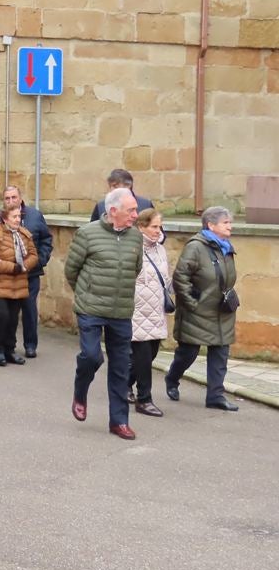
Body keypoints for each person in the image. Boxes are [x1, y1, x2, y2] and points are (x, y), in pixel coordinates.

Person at [65, 187, 143, 441]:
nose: (135, 214)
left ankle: (119, 421)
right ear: (113, 211)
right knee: (91, 356)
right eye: (131, 210)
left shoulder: (135, 237)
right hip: (91, 308)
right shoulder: (87, 234)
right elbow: (71, 270)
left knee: (121, 367)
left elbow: (136, 268)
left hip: (121, 310)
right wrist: (87, 293)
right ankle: (80, 389)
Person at [165, 206, 241, 412]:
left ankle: (215, 396)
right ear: (211, 224)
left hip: (221, 311)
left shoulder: (225, 246)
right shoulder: (196, 247)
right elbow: (180, 278)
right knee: (188, 353)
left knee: (221, 352)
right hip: (197, 311)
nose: (230, 226)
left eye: (229, 222)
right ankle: (172, 378)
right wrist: (191, 304)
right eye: (226, 222)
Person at [0, 186, 53, 358]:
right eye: (7, 198)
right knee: (5, 315)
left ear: (20, 198)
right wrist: (2, 265)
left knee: (28, 310)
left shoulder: (35, 216)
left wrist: (37, 262)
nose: (11, 201)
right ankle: (2, 349)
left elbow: (45, 241)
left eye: (14, 197)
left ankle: (29, 345)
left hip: (29, 275)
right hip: (1, 278)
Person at [0, 205, 39, 367]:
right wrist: (12, 267)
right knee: (2, 316)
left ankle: (10, 350)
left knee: (13, 319)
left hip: (18, 285)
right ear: (5, 218)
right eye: (14, 216)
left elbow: (34, 255)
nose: (18, 219)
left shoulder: (24, 235)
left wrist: (24, 266)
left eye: (19, 216)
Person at [129, 209, 169, 418]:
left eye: (159, 226)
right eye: (153, 226)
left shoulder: (160, 250)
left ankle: (123, 383)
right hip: (137, 309)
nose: (157, 230)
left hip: (155, 309)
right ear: (141, 226)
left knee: (151, 353)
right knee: (143, 356)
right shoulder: (132, 247)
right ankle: (144, 399)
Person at [90, 168, 154, 222]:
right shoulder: (101, 205)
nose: (117, 190)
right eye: (114, 186)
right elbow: (92, 229)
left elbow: (158, 231)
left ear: (129, 186)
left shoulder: (145, 205)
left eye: (123, 186)